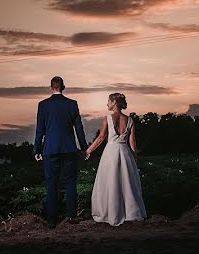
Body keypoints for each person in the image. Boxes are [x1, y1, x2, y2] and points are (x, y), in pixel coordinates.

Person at [33, 76, 88, 229]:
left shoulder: (43, 105)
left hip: (50, 149)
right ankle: (71, 216)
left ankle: (52, 220)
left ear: (51, 87)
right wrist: (84, 148)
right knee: (70, 182)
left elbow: (40, 130)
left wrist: (37, 149)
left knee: (52, 184)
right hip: (69, 148)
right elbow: (79, 129)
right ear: (63, 87)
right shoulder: (72, 104)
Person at [85, 92, 147, 226]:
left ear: (114, 103)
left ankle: (111, 212)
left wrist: (88, 151)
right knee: (126, 183)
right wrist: (134, 158)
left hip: (111, 153)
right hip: (125, 153)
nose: (107, 104)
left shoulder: (107, 118)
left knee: (110, 181)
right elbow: (132, 144)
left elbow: (101, 138)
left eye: (108, 101)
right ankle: (129, 212)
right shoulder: (130, 120)